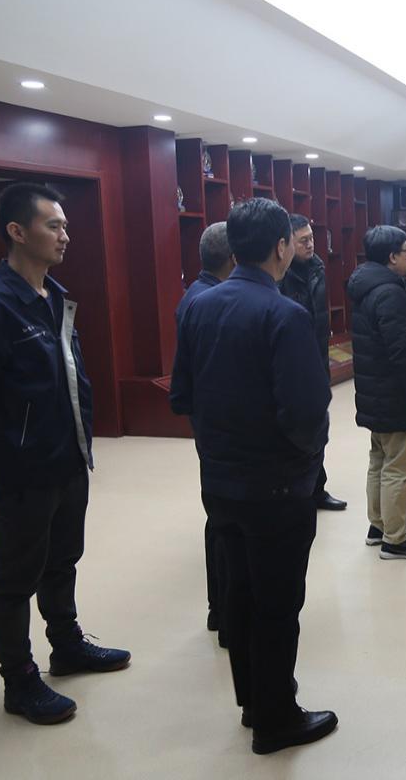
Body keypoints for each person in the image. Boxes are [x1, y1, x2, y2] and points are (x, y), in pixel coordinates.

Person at [0, 182, 130, 726]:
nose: (65, 235)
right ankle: (19, 679)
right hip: (25, 470)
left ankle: (66, 645)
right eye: (54, 225)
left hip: (68, 457)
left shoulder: (55, 298)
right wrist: (1, 450)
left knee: (62, 559)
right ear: (17, 232)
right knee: (15, 578)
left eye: (65, 225)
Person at [170, 197, 336, 755]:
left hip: (219, 481)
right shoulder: (284, 314)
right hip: (276, 486)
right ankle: (276, 717)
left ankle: (252, 702)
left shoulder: (197, 306)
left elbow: (182, 396)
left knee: (238, 594)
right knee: (278, 603)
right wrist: (303, 462)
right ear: (281, 247)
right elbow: (307, 412)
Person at [346, 225, 406, 559]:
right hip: (397, 398)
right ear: (392, 256)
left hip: (377, 395)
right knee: (400, 468)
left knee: (380, 462)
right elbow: (402, 352)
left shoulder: (367, 285)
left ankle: (380, 526)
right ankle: (395, 540)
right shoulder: (390, 292)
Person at [173, 221, 234, 643]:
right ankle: (223, 608)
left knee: (222, 518)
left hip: (212, 422)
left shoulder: (198, 294)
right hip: (219, 426)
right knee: (224, 520)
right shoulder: (208, 301)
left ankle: (222, 607)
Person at [280, 214, 347, 512]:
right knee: (295, 432)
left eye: (312, 238)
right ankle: (298, 491)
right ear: (285, 244)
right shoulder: (280, 275)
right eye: (303, 240)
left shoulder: (317, 267)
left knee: (319, 428)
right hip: (292, 364)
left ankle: (317, 488)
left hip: (317, 358)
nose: (310, 245)